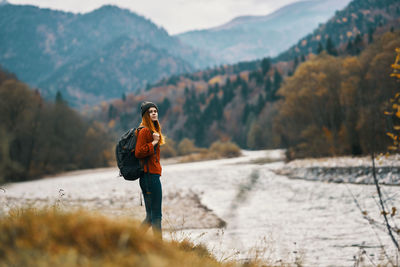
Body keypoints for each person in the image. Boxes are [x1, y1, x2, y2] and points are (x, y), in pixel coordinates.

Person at [135, 101, 165, 239]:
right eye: (151, 111)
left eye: (155, 111)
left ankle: (134, 241)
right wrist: (153, 143)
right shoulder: (145, 130)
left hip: (149, 177)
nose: (154, 113)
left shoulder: (151, 130)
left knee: (150, 216)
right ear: (146, 115)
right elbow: (139, 152)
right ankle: (159, 247)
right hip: (150, 177)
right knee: (156, 215)